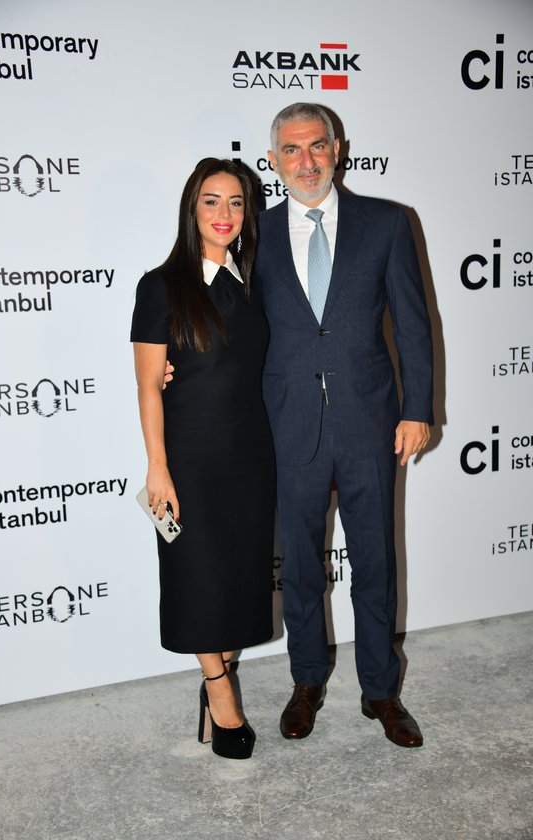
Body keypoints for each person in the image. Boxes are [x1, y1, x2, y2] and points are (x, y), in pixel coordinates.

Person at [255, 103, 434, 747]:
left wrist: (418, 407)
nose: (306, 161)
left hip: (370, 420)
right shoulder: (254, 231)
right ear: (273, 160)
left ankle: (381, 690)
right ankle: (307, 680)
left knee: (375, 561)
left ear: (338, 149)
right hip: (288, 422)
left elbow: (413, 323)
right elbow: (232, 324)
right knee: (301, 564)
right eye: (291, 150)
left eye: (317, 146)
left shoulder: (386, 222)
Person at [130, 158, 275, 760]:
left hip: (253, 455)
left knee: (239, 579)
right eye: (211, 201)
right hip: (189, 458)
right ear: (192, 209)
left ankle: (222, 668)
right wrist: (157, 467)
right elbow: (147, 386)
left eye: (236, 202)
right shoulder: (161, 286)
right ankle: (219, 689)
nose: (224, 214)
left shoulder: (255, 284)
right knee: (198, 578)